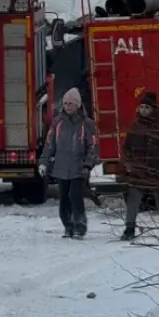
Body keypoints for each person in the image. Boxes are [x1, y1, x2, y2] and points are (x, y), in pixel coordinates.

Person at [38, 87, 100, 239]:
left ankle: (80, 224)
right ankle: (68, 226)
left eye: (70, 103)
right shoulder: (57, 123)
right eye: (65, 103)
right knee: (64, 198)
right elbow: (49, 144)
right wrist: (44, 162)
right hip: (61, 167)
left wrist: (87, 165)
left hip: (79, 167)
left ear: (78, 105)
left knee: (75, 195)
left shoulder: (87, 124)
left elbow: (93, 147)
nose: (67, 106)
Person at [121, 91, 159, 241]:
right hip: (139, 170)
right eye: (142, 107)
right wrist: (130, 162)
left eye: (147, 107)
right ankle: (129, 228)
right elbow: (126, 147)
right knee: (133, 200)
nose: (144, 110)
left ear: (153, 109)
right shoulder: (135, 126)